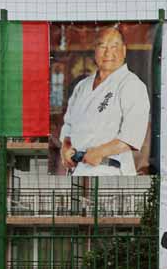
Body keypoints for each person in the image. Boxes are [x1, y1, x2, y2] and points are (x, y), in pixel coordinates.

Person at [59, 26, 149, 177]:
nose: (108, 53)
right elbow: (68, 125)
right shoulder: (82, 86)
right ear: (95, 50)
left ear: (124, 50)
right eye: (102, 46)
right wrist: (65, 146)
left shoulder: (132, 84)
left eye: (114, 46)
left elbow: (131, 137)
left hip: (111, 169)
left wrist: (100, 152)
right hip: (79, 169)